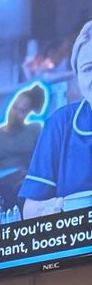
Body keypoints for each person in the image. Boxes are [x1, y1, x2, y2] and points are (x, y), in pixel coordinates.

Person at [21, 21, 92, 216]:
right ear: (77, 76)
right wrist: (54, 210)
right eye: (88, 69)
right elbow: (30, 210)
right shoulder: (60, 124)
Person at [0, 84, 47, 210]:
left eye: (21, 111)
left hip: (28, 188)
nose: (15, 113)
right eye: (14, 107)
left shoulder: (35, 130)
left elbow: (44, 162)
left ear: (28, 113)